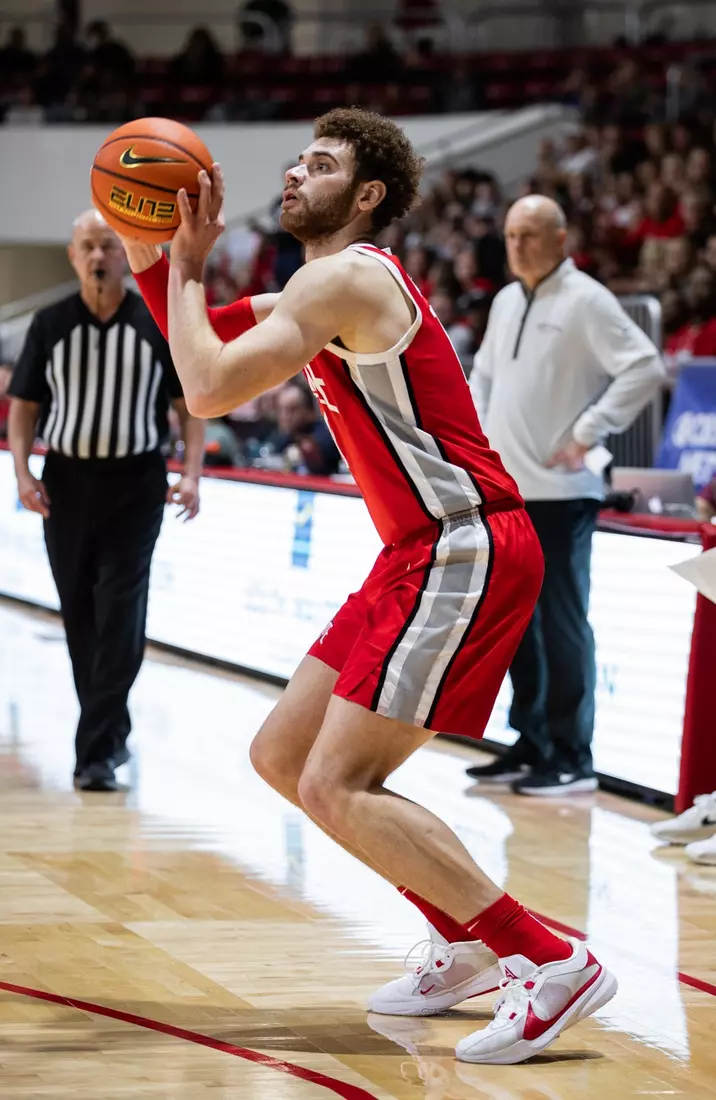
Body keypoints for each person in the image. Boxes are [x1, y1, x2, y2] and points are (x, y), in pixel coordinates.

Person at [121, 108, 617, 1066]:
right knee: (284, 753)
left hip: (462, 541)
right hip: (412, 552)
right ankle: (467, 942)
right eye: (298, 160)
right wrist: (156, 255)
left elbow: (209, 388)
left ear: (368, 194)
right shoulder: (317, 287)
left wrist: (185, 262)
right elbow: (197, 342)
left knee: (337, 780)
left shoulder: (347, 276)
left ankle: (546, 960)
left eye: (323, 163)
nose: (297, 174)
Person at [468, 195, 665, 795]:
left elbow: (645, 367)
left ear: (561, 238)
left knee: (560, 622)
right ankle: (532, 742)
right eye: (510, 234)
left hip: (560, 494)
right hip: (507, 493)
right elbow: (483, 376)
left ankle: (573, 756)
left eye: (530, 234)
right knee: (518, 624)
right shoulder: (505, 301)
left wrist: (586, 433)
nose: (518, 245)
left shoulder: (586, 300)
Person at [7, 211, 204, 792]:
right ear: (73, 256)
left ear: (127, 256)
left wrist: (191, 473)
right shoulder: (49, 323)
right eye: (88, 246)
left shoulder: (155, 323)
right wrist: (21, 471)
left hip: (136, 486)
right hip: (65, 483)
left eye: (109, 246)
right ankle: (111, 733)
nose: (98, 256)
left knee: (120, 613)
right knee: (81, 616)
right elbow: (24, 407)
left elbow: (189, 406)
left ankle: (92, 753)